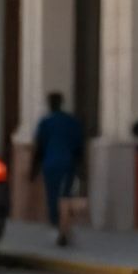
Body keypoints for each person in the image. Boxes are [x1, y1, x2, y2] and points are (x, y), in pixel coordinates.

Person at [31, 91, 85, 247]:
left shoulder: (45, 123)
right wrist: (81, 167)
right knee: (66, 196)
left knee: (53, 197)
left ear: (49, 104)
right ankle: (65, 227)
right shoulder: (72, 122)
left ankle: (58, 226)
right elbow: (79, 146)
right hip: (68, 163)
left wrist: (33, 170)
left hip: (51, 164)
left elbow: (39, 148)